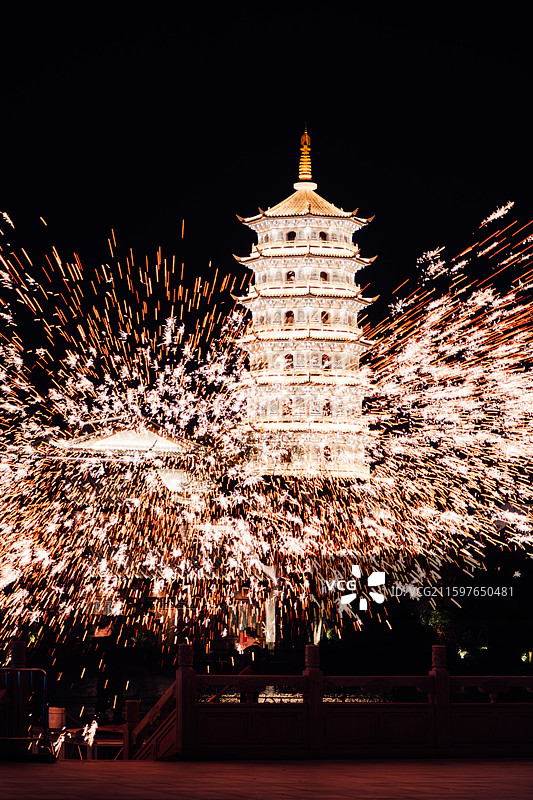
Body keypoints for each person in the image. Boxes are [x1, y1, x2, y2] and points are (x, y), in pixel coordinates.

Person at [239, 628, 264, 703]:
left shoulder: (253, 650)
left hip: (249, 679)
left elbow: (253, 665)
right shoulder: (252, 649)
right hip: (246, 678)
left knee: (249, 699)